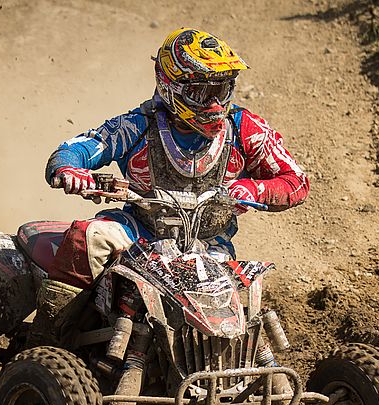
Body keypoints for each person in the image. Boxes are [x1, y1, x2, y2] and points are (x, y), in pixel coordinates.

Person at [44, 27, 309, 289]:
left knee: (239, 297)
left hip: (210, 245)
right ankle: (49, 331)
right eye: (201, 93)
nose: (215, 105)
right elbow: (76, 149)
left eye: (222, 91)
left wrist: (254, 189)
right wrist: (69, 170)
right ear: (170, 86)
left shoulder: (244, 129)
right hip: (139, 232)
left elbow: (296, 180)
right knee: (88, 237)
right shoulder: (136, 127)